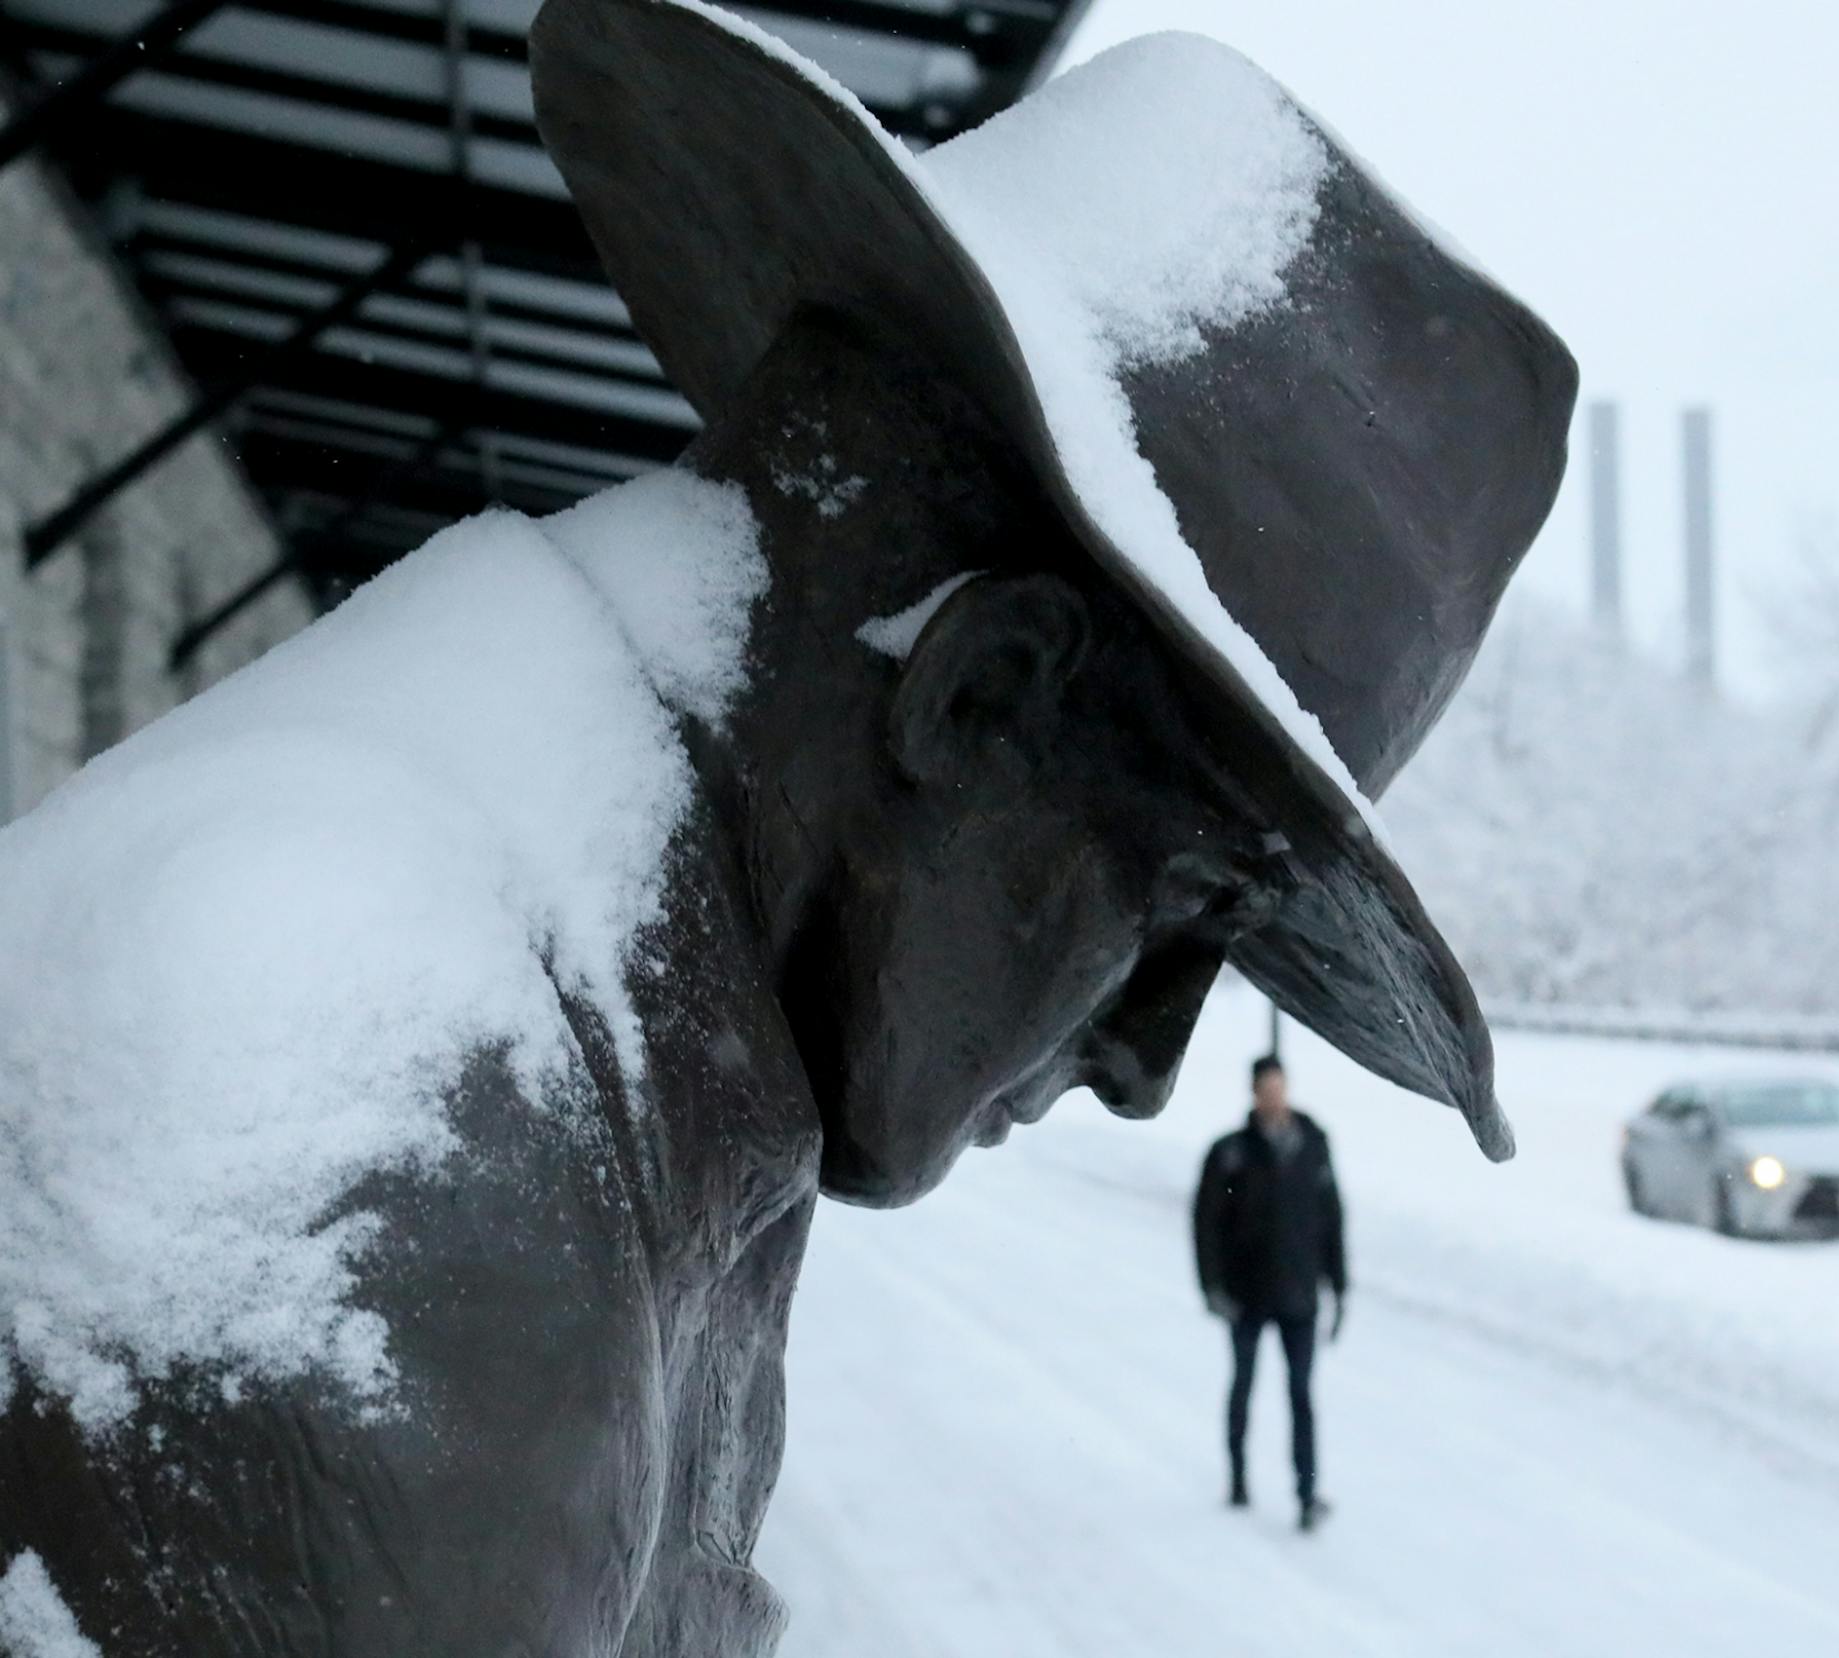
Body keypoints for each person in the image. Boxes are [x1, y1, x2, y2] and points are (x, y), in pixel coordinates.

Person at [0, 1, 1573, 1650]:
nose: (1149, 1061)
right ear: (977, 696)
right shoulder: (392, 1159)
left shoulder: (636, 1030)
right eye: (1177, 903)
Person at [1195, 1054, 1348, 1531]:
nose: (1274, 1096)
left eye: (1279, 1086)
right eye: (1266, 1088)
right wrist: (1213, 1286)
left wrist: (1339, 1285)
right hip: (1247, 1294)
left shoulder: (1312, 1144)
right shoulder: (1230, 1153)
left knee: (1301, 1393)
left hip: (1300, 1294)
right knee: (1243, 1385)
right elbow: (1205, 1225)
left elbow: (1331, 1217)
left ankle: (1306, 1494)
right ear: (1254, 1093)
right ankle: (1238, 1476)